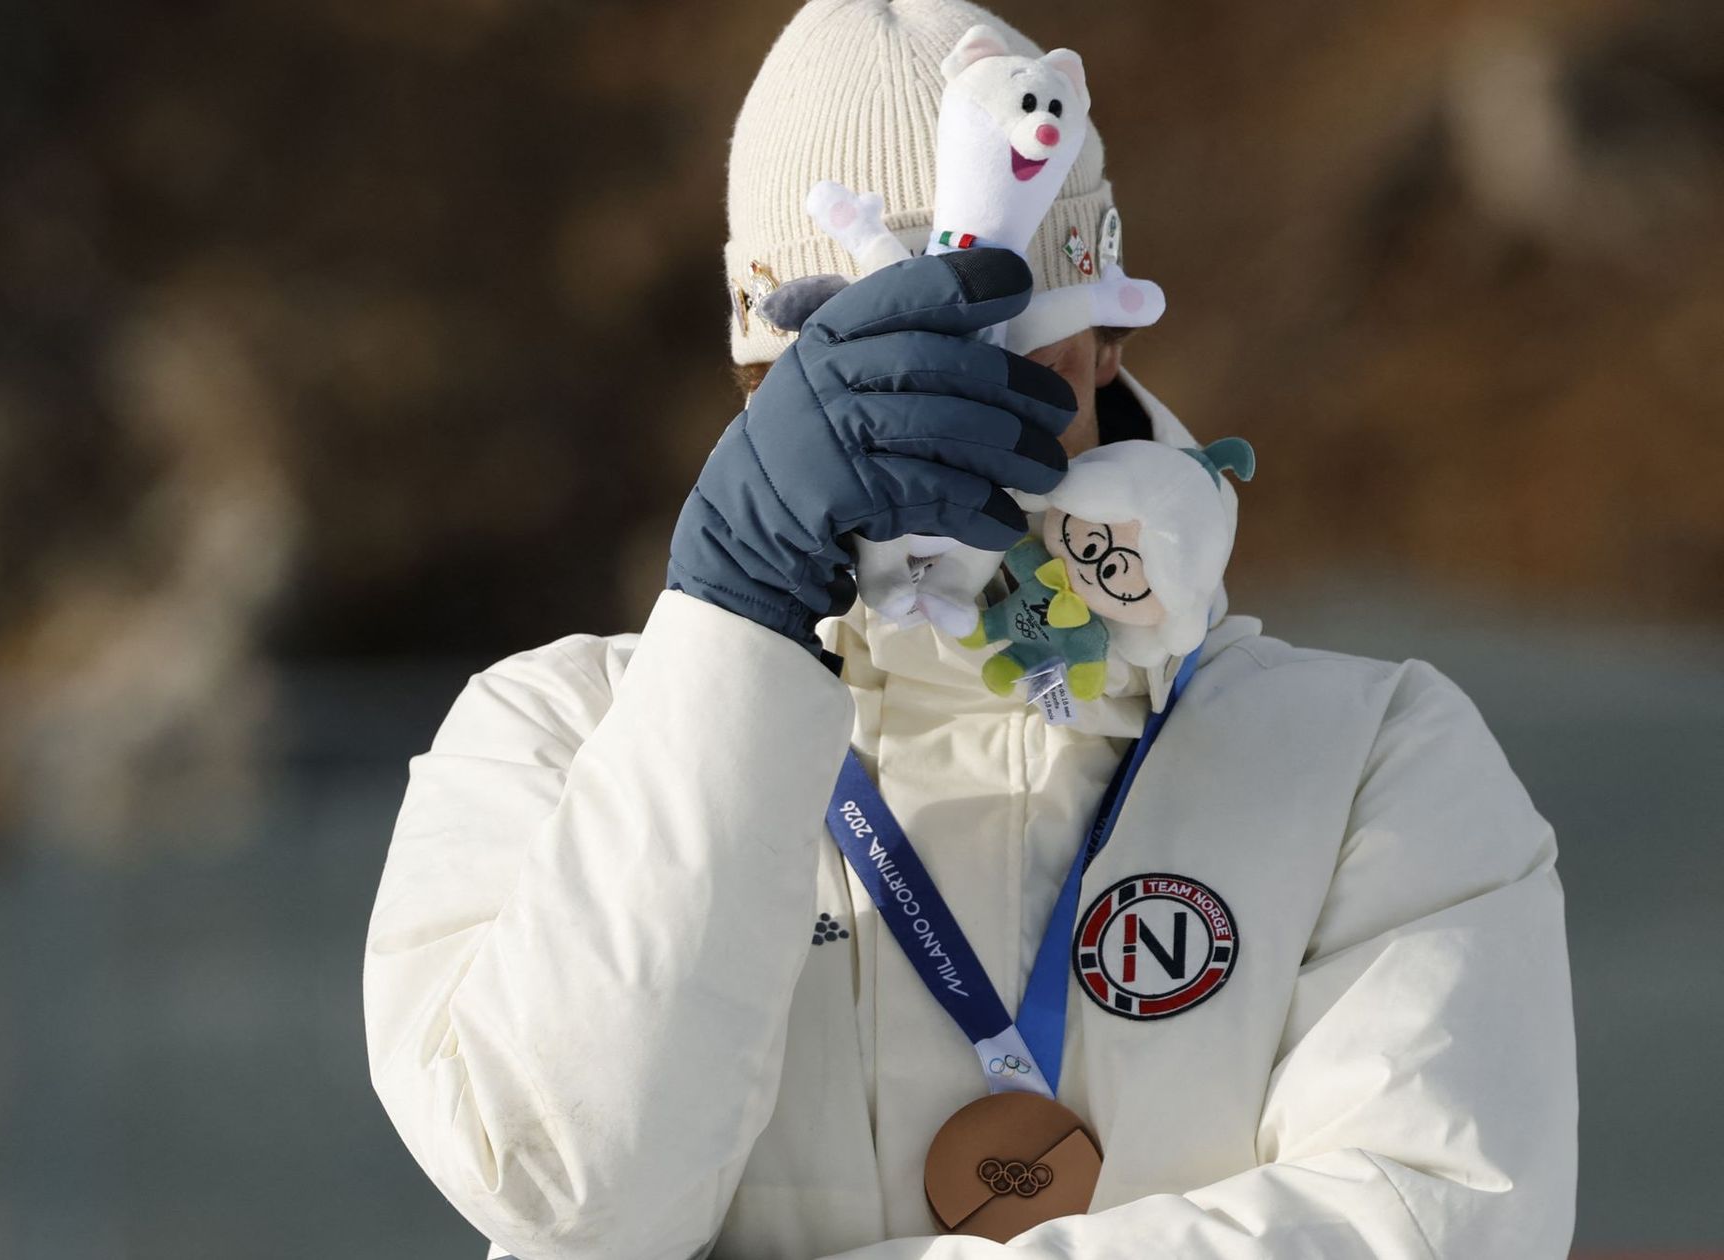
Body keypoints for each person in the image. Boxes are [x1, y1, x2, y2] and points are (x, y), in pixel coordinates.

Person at [361, 2, 1577, 1257]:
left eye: (997, 365)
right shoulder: (554, 741)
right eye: (866, 378)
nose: (935, 437)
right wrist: (735, 630)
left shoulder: (1371, 759)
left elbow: (1432, 1223)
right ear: (760, 385)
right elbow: (571, 1191)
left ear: (1105, 343)